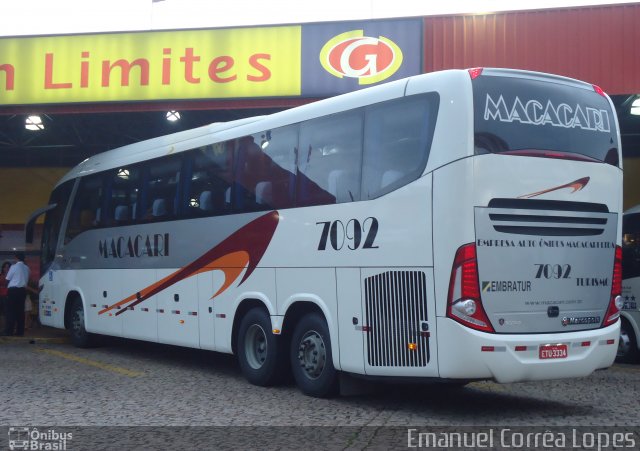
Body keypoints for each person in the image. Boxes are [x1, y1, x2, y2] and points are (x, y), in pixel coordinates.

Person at [4, 251, 30, 336]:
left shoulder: (14, 267)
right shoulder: (27, 268)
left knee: (10, 311)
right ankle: (20, 332)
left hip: (13, 291)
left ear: (16, 258)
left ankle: (9, 331)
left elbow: (7, 279)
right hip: (22, 291)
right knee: (20, 312)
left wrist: (7, 285)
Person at [0, 261, 10, 332]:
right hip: (0, 296)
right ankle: (2, 328)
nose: (6, 268)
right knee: (2, 313)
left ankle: (6, 328)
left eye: (8, 267)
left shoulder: (11, 276)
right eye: (5, 267)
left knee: (6, 313)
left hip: (7, 296)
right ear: (2, 268)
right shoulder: (0, 275)